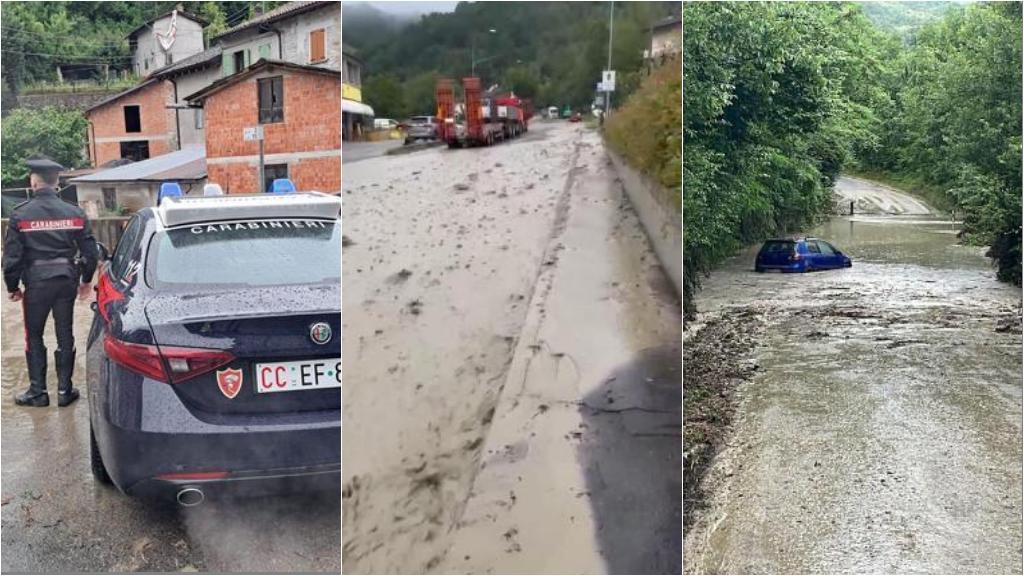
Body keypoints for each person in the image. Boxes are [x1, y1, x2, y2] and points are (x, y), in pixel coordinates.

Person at [3, 156, 98, 407]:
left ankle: (38, 392)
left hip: (36, 284)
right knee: (65, 334)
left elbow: (12, 257)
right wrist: (86, 280)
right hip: (66, 281)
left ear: (34, 181)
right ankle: (65, 392)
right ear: (57, 182)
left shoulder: (20, 215)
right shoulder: (75, 213)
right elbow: (91, 253)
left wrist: (12, 287)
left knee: (33, 336)